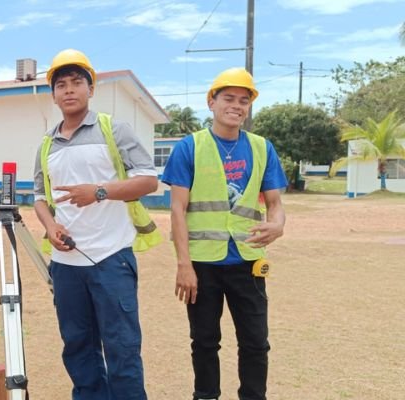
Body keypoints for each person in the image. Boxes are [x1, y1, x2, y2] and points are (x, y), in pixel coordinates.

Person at [33, 49, 161, 400]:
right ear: (53, 94)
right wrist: (51, 227)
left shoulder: (113, 130)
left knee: (122, 348)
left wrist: (100, 191)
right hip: (66, 266)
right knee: (78, 347)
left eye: (77, 82)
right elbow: (40, 197)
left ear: (91, 89)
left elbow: (149, 181)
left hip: (110, 259)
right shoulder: (47, 145)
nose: (69, 90)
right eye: (61, 85)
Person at [162, 68, 288, 400]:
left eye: (244, 101)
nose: (237, 106)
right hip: (202, 264)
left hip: (248, 262)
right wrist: (183, 265)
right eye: (229, 98)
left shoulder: (262, 148)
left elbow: (275, 203)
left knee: (256, 343)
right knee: (204, 341)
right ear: (211, 102)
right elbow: (177, 210)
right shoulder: (189, 147)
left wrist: (278, 224)